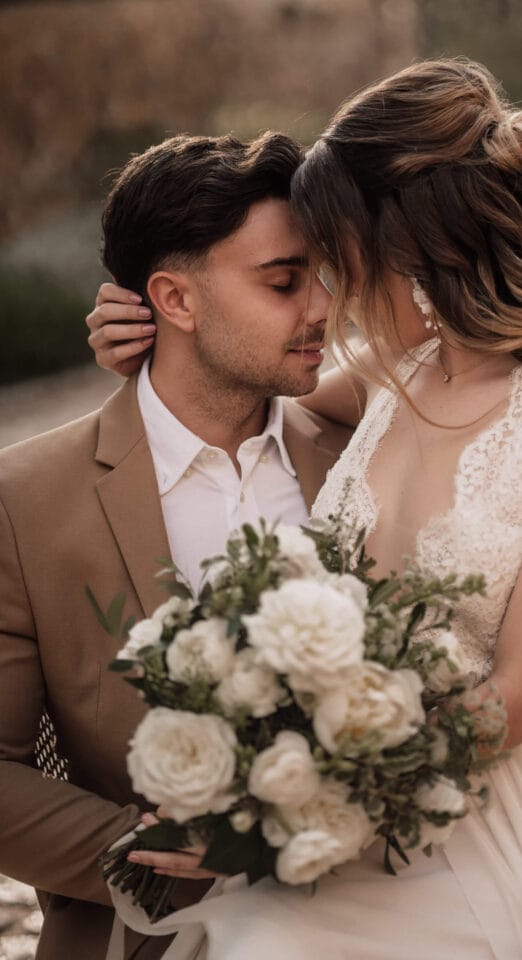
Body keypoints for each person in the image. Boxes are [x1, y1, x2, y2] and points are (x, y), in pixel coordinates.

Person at [85, 60, 522, 959]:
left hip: (494, 821)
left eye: (334, 258)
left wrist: (269, 806)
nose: (326, 298)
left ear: (405, 244)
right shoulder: (390, 377)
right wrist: (161, 338)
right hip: (365, 822)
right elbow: (256, 400)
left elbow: (516, 697)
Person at [0, 131, 351, 960]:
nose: (321, 307)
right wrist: (154, 860)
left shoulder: (362, 454)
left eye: (322, 274)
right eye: (283, 281)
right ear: (176, 300)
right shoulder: (25, 500)